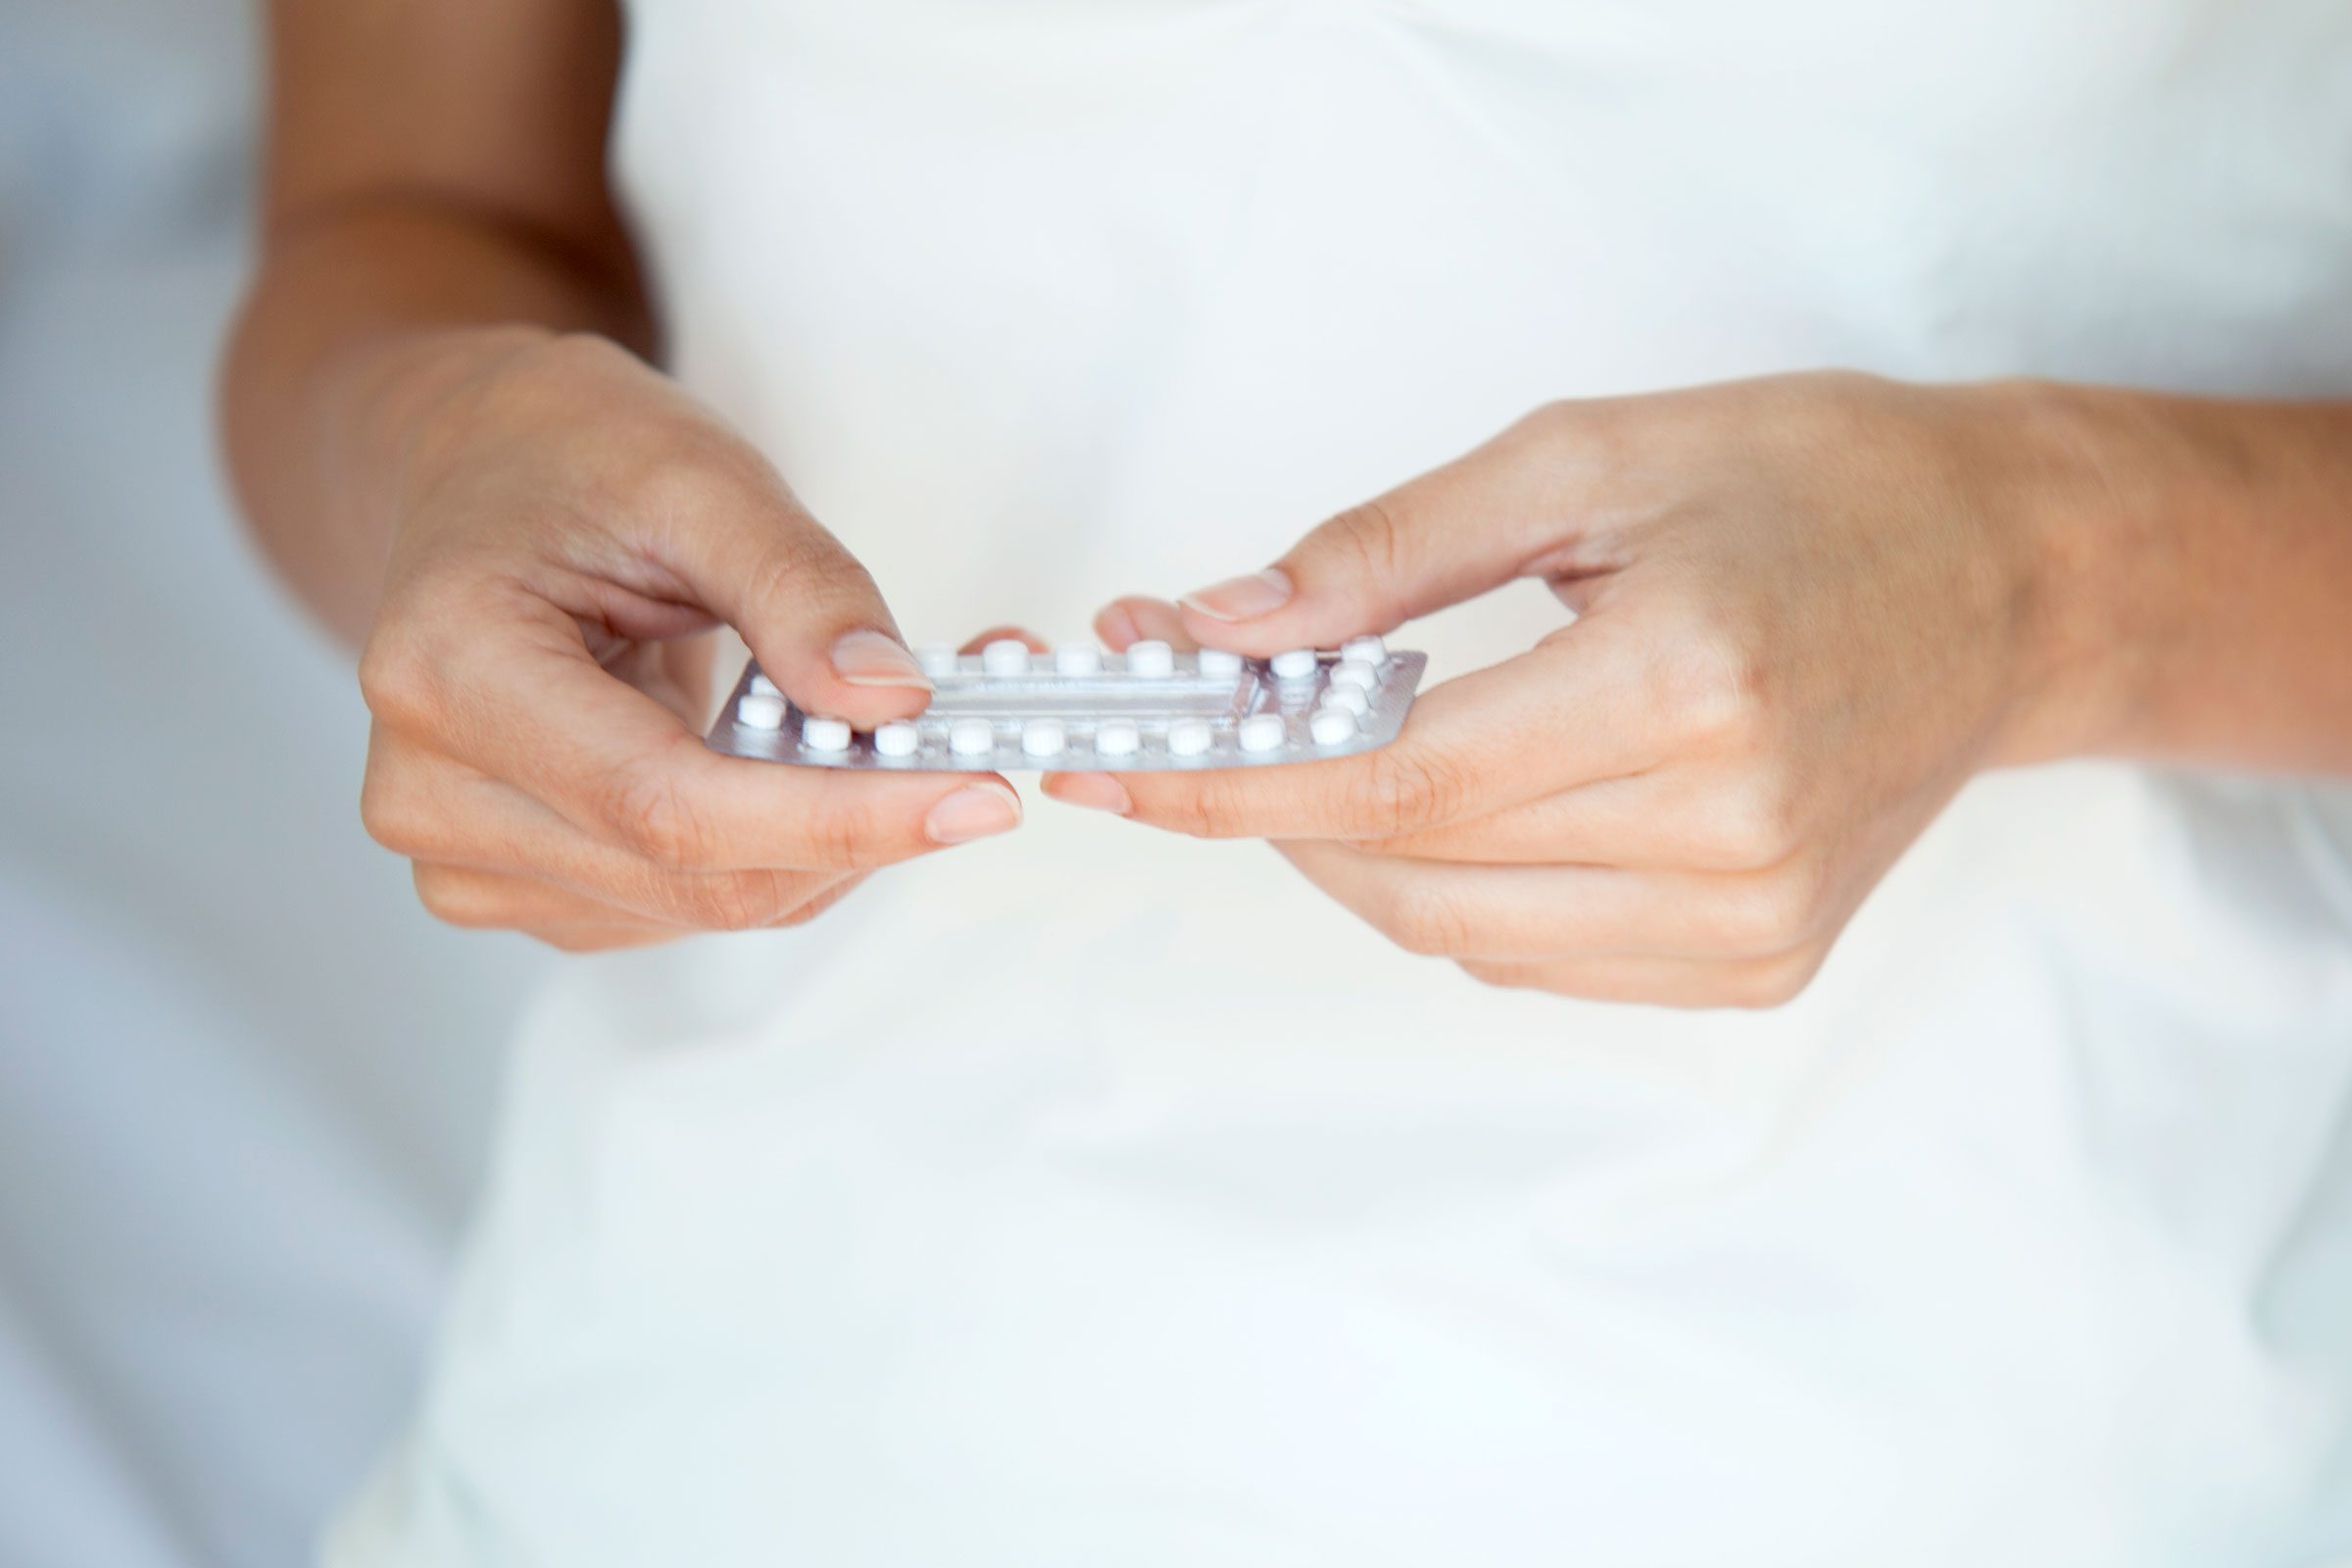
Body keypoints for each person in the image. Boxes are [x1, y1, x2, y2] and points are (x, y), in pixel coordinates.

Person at [223, 0, 2352, 1561]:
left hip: (1998, 1436)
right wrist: (437, 454)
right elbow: (402, 215)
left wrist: (2049, 572)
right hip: (724, 1418)